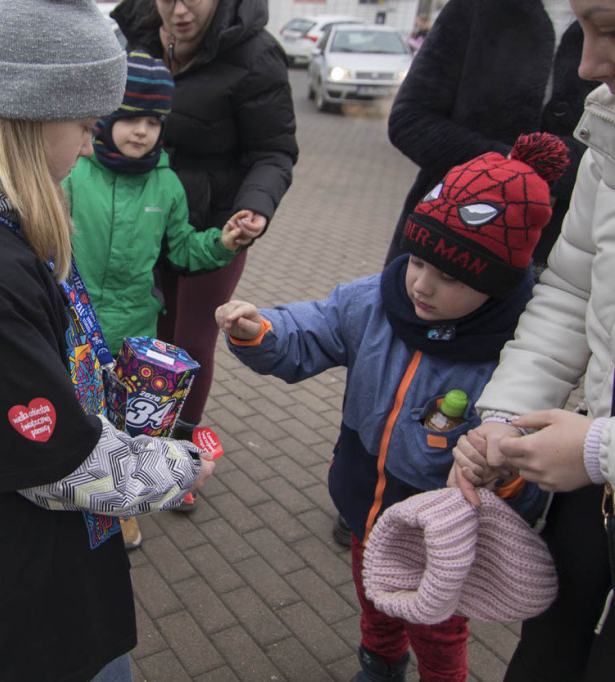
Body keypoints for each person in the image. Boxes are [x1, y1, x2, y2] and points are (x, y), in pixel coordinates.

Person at [0, 1, 217, 680]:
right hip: (26, 596)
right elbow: (57, 465)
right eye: (86, 126)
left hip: (50, 564)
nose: (90, 146)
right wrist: (174, 466)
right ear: (30, 112)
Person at [216, 134, 566, 682]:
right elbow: (316, 326)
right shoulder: (377, 299)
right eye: (418, 261)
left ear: (495, 287)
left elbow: (524, 462)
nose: (422, 285)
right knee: (373, 593)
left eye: (450, 277)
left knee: (439, 624)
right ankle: (379, 662)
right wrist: (261, 330)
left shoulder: (520, 355)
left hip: (443, 529)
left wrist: (506, 479)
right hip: (365, 495)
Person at [449, 3, 615, 678]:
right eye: (586, 28)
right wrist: (507, 419)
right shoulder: (608, 133)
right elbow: (575, 286)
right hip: (592, 488)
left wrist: (601, 448)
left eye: (612, 30)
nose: (587, 65)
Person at [64, 50, 259, 548]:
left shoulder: (166, 184)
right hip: (73, 322)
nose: (141, 131)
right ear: (104, 116)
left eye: (153, 120)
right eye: (130, 116)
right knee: (79, 419)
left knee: (128, 427)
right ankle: (73, 498)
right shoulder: (73, 172)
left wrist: (223, 241)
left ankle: (125, 508)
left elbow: (183, 250)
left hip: (135, 328)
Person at [111, 0, 299, 466]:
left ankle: (178, 450)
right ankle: (132, 439)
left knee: (190, 340)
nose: (178, 10)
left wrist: (254, 207)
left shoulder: (256, 54)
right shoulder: (125, 36)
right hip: (138, 217)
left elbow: (273, 150)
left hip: (214, 225)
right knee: (145, 332)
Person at [384, 0, 596, 268]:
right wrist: (512, 166)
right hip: (450, 244)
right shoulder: (477, 6)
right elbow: (410, 119)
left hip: (571, 253)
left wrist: (563, 170)